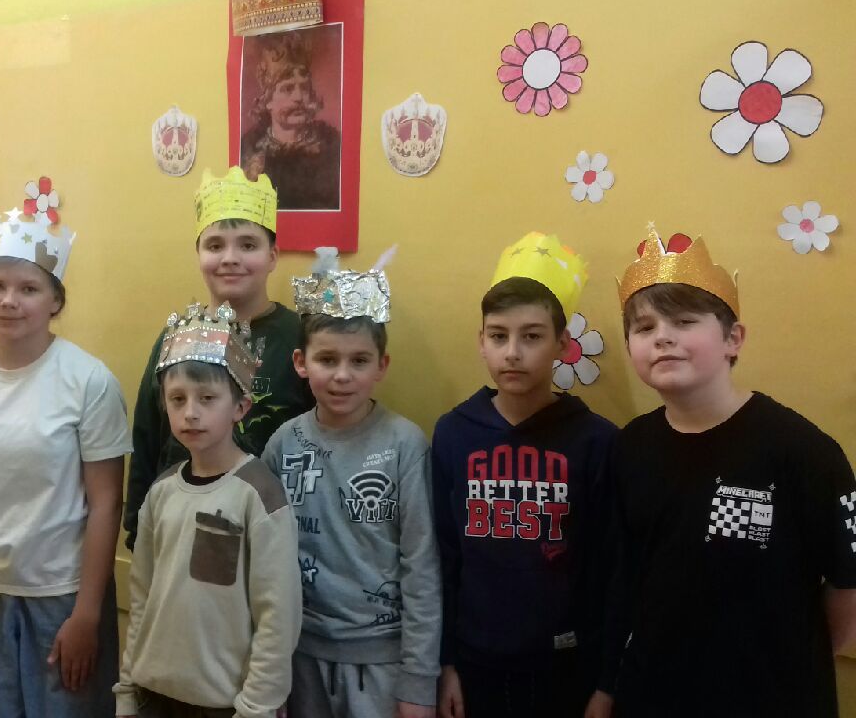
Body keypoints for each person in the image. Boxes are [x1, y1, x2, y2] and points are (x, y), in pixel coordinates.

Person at [599, 228, 856, 718]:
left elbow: (848, 588)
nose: (663, 337)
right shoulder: (629, 447)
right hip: (653, 696)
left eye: (683, 321)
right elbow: (625, 580)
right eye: (645, 327)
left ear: (733, 339)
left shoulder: (803, 452)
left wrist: (786, 663)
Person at [0, 208, 129, 717]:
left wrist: (87, 614)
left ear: (55, 300)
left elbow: (106, 504)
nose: (9, 300)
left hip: (63, 595)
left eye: (29, 289)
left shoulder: (89, 382)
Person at [432, 233, 616, 718]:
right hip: (475, 665)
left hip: (566, 668)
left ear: (562, 345)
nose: (512, 352)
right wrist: (445, 663)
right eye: (499, 336)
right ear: (482, 342)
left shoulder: (596, 441)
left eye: (531, 336)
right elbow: (443, 558)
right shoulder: (453, 433)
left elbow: (610, 568)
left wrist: (606, 683)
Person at [262, 249, 442, 717]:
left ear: (382, 365)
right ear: (301, 362)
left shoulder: (405, 445)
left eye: (359, 360)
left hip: (382, 664)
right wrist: (266, 670)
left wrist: (418, 682)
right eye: (327, 359)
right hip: (297, 658)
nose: (342, 375)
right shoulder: (283, 444)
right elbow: (261, 561)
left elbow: (422, 567)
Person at [115, 302, 300, 718]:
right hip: (153, 695)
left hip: (226, 704)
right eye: (177, 399)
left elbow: (277, 616)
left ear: (240, 407)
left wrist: (257, 706)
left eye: (208, 398)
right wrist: (127, 689)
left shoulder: (259, 495)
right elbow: (142, 597)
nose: (191, 413)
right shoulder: (161, 493)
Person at [124, 165, 312, 551]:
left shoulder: (299, 338)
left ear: (273, 256)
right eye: (214, 246)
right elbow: (147, 436)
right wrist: (137, 529)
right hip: (181, 531)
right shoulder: (176, 338)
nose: (230, 258)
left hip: (274, 532)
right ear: (198, 254)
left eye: (248, 245)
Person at [239, 31, 341, 210]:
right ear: (267, 100)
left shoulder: (332, 147)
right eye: (287, 89)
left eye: (304, 87)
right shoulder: (248, 149)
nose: (299, 97)